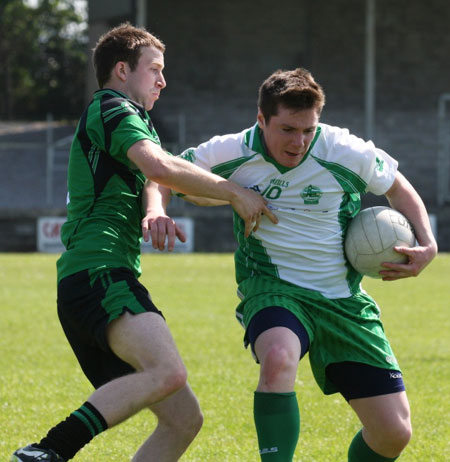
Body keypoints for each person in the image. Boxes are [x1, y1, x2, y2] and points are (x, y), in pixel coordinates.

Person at [11, 23, 277, 462]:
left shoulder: (135, 121)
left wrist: (155, 209)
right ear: (121, 70)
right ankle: (46, 451)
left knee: (184, 419)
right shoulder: (110, 107)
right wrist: (234, 191)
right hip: (98, 274)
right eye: (154, 69)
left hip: (98, 279)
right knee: (169, 372)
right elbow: (159, 165)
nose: (162, 80)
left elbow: (151, 175)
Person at [146, 67, 438, 461]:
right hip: (272, 288)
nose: (299, 142)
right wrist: (156, 211)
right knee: (279, 359)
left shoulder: (343, 151)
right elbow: (163, 172)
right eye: (287, 129)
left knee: (393, 433)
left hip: (343, 299)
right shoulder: (233, 150)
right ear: (261, 119)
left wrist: (428, 243)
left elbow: (398, 187)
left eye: (307, 130)